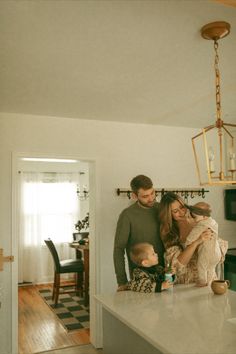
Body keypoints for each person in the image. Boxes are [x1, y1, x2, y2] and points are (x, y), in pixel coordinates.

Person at [158, 192, 228, 285]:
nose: (181, 212)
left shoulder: (200, 221)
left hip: (209, 280)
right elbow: (178, 264)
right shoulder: (168, 231)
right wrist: (196, 242)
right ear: (168, 214)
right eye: (175, 211)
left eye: (182, 207)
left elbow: (217, 251)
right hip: (186, 283)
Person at [113, 175, 165, 291]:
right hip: (141, 280)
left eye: (152, 193)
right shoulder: (127, 215)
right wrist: (121, 281)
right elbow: (118, 249)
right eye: (145, 196)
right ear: (134, 196)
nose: (151, 198)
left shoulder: (162, 209)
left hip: (165, 275)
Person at [185, 202, 222, 286]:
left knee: (201, 266)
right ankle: (209, 282)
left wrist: (188, 242)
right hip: (217, 253)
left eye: (194, 217)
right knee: (211, 268)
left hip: (207, 252)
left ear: (204, 217)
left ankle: (202, 282)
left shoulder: (201, 225)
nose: (193, 219)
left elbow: (192, 237)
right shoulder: (213, 222)